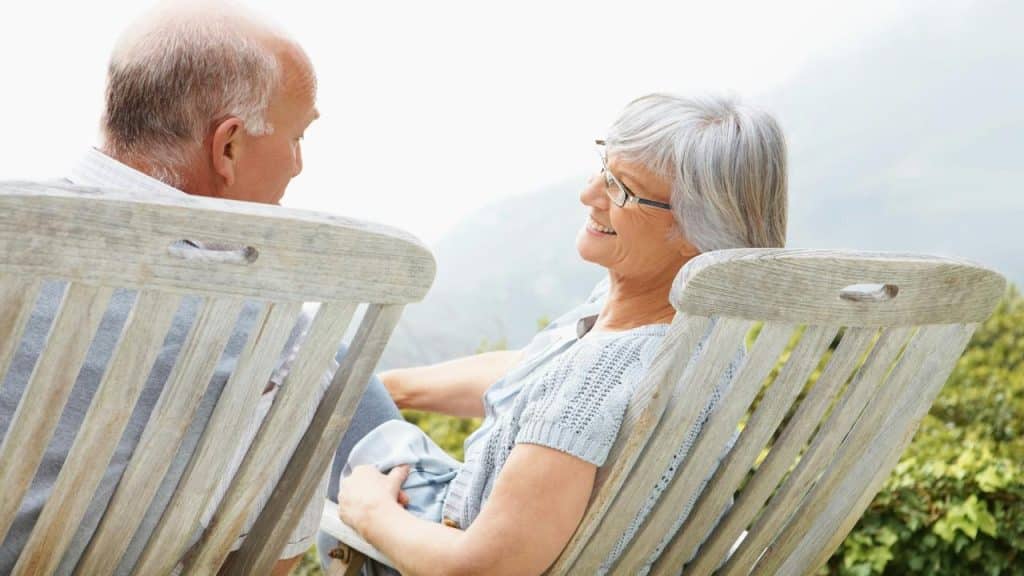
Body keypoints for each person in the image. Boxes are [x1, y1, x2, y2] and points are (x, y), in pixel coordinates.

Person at [318, 94, 788, 575]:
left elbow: (486, 569)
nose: (590, 195)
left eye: (621, 189)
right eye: (604, 168)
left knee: (305, 362)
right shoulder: (702, 338)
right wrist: (390, 389)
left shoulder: (594, 386)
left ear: (695, 231)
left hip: (427, 544)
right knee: (335, 373)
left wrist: (370, 513)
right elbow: (540, 375)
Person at [0, 2, 382, 574]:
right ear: (227, 146)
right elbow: (265, 563)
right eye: (297, 137)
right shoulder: (278, 335)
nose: (298, 165)